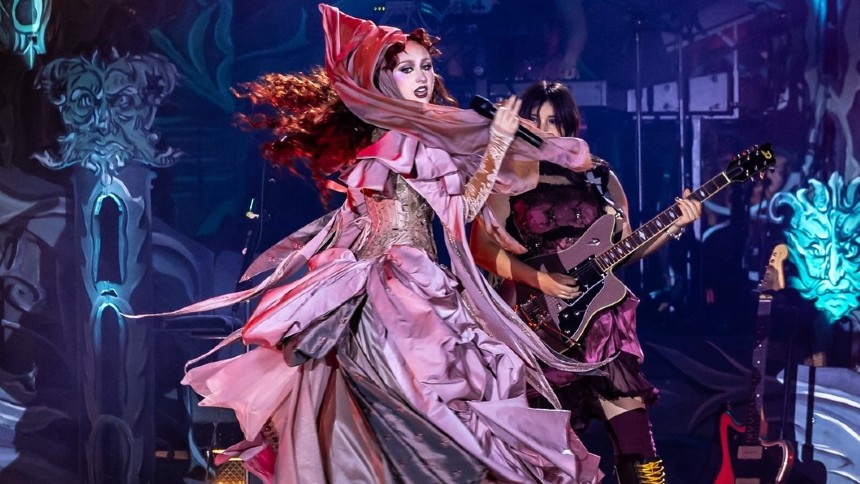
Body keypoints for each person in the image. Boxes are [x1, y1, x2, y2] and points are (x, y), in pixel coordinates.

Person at [157, 6, 615, 483]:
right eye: (406, 68)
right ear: (382, 79)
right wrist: (497, 142)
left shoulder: (396, 135)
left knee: (398, 408)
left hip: (394, 284)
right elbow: (458, 206)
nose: (422, 77)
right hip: (395, 288)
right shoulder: (404, 138)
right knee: (416, 406)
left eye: (426, 66)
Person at [469, 81, 703, 483]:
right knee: (543, 455)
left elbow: (624, 249)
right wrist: (540, 280)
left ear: (570, 125)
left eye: (554, 122)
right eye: (534, 119)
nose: (544, 129)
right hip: (537, 324)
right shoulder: (508, 174)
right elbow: (482, 249)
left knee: (638, 446)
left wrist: (673, 228)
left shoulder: (599, 174)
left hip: (602, 324)